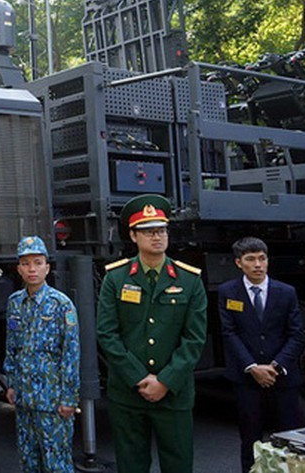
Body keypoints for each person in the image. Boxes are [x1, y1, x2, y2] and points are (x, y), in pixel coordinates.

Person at [96, 194, 207, 473]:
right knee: (131, 465)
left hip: (174, 392)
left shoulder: (189, 280)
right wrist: (139, 378)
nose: (157, 237)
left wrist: (165, 381)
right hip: (128, 393)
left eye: (161, 229)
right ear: (133, 235)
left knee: (178, 464)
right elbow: (107, 333)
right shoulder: (115, 278)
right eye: (148, 231)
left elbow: (194, 338)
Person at [218, 237, 303, 473]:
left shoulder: (286, 292)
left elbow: (296, 334)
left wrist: (276, 366)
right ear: (238, 263)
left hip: (283, 377)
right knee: (250, 439)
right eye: (251, 259)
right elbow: (229, 332)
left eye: (262, 258)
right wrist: (252, 366)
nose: (258, 264)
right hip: (247, 378)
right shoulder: (228, 292)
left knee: (289, 439)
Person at [4, 235, 80, 473]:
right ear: (19, 269)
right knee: (29, 461)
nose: (32, 269)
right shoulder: (15, 303)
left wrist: (69, 397)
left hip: (52, 400)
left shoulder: (61, 304)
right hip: (25, 398)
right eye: (26, 264)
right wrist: (12, 384)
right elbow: (12, 346)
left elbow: (70, 353)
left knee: (56, 463)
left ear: (47, 268)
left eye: (37, 263)